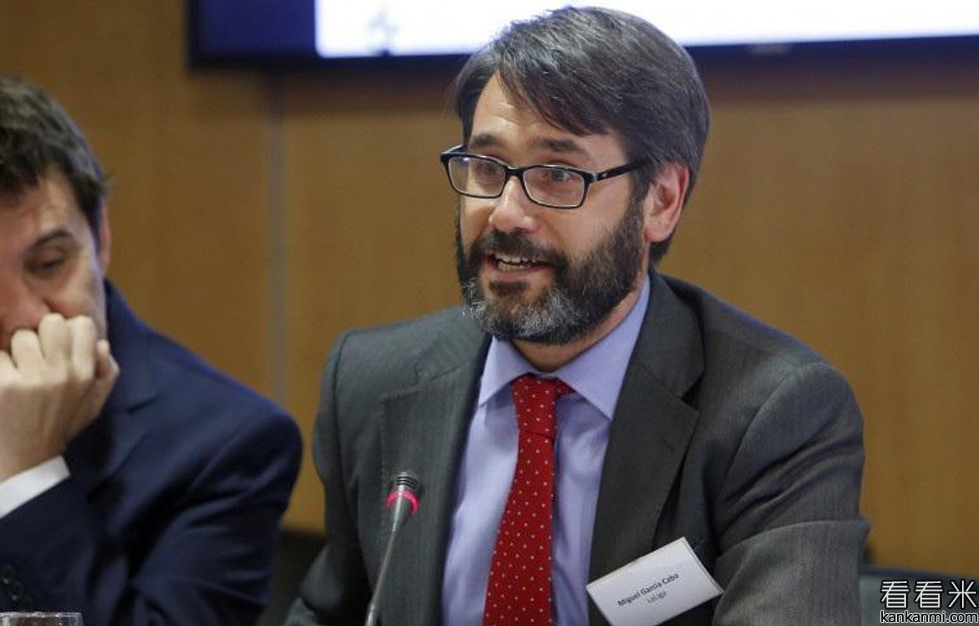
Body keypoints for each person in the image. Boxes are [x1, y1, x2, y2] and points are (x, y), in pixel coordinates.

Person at [286, 7, 867, 626]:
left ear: (661, 201)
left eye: (558, 175)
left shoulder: (773, 413)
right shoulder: (373, 383)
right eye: (487, 169)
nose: (505, 213)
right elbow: (331, 611)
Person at [0, 75, 302, 625]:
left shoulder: (229, 445)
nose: (24, 316)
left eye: (49, 264)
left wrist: (29, 473)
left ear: (102, 239)